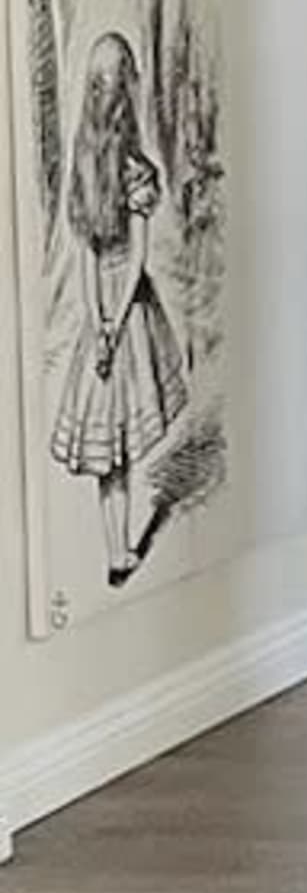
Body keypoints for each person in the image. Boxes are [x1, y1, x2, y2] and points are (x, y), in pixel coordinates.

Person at [49, 33, 186, 589]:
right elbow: (131, 259)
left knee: (112, 451)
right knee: (117, 442)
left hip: (108, 313)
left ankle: (117, 550)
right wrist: (110, 324)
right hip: (122, 313)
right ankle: (119, 550)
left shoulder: (92, 165)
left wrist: (99, 321)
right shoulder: (122, 168)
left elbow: (94, 258)